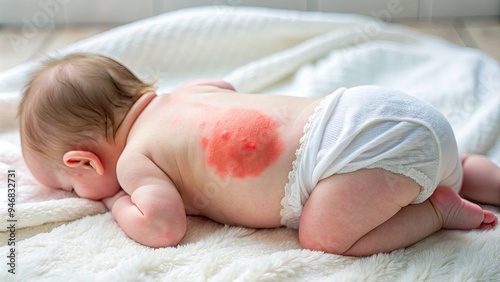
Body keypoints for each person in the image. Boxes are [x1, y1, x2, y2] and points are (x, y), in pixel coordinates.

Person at [18, 53, 499, 257]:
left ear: (86, 162)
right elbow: (228, 89)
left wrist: (115, 201)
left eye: (68, 186)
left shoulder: (133, 163)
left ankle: (436, 210)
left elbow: (162, 228)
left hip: (353, 155)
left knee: (323, 235)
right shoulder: (191, 91)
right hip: (371, 110)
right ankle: (471, 175)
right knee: (439, 159)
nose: (77, 194)